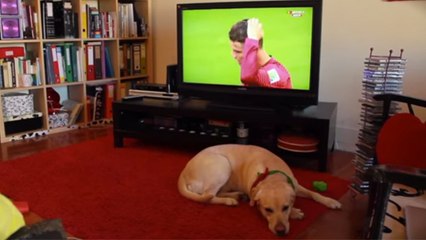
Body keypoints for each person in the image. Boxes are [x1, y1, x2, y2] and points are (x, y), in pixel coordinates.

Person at [229, 18, 292, 88]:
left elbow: (247, 77)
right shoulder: (255, 73)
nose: (233, 55)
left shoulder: (276, 75)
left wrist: (252, 39)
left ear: (254, 47)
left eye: (238, 51)